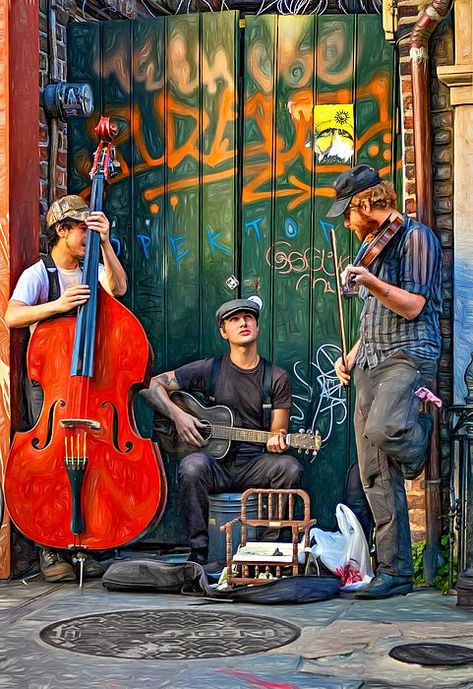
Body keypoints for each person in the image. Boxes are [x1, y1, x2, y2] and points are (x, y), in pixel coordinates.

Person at [329, 164, 442, 599]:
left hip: (410, 354)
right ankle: (395, 571)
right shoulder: (371, 247)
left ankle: (419, 440)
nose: (346, 222)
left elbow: (413, 305)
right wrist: (353, 355)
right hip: (371, 359)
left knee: (385, 429)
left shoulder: (416, 238)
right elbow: (374, 315)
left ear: (364, 204)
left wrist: (371, 281)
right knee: (373, 471)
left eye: (347, 212)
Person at [5, 194, 128, 582]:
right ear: (62, 230)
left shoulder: (94, 266)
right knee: (52, 463)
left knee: (92, 459)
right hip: (52, 384)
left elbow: (119, 288)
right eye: (83, 231)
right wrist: (57, 305)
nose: (87, 239)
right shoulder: (40, 272)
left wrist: (106, 243)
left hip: (92, 383)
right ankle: (49, 548)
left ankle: (86, 542)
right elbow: (12, 315)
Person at [141, 298, 303, 565]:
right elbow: (150, 385)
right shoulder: (209, 369)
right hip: (213, 463)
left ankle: (266, 551)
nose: (243, 322)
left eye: (249, 317)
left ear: (258, 326)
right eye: (234, 319)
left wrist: (278, 440)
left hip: (254, 463)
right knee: (192, 467)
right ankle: (199, 553)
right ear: (223, 331)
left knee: (289, 468)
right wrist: (179, 416)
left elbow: (278, 431)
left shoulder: (276, 377)